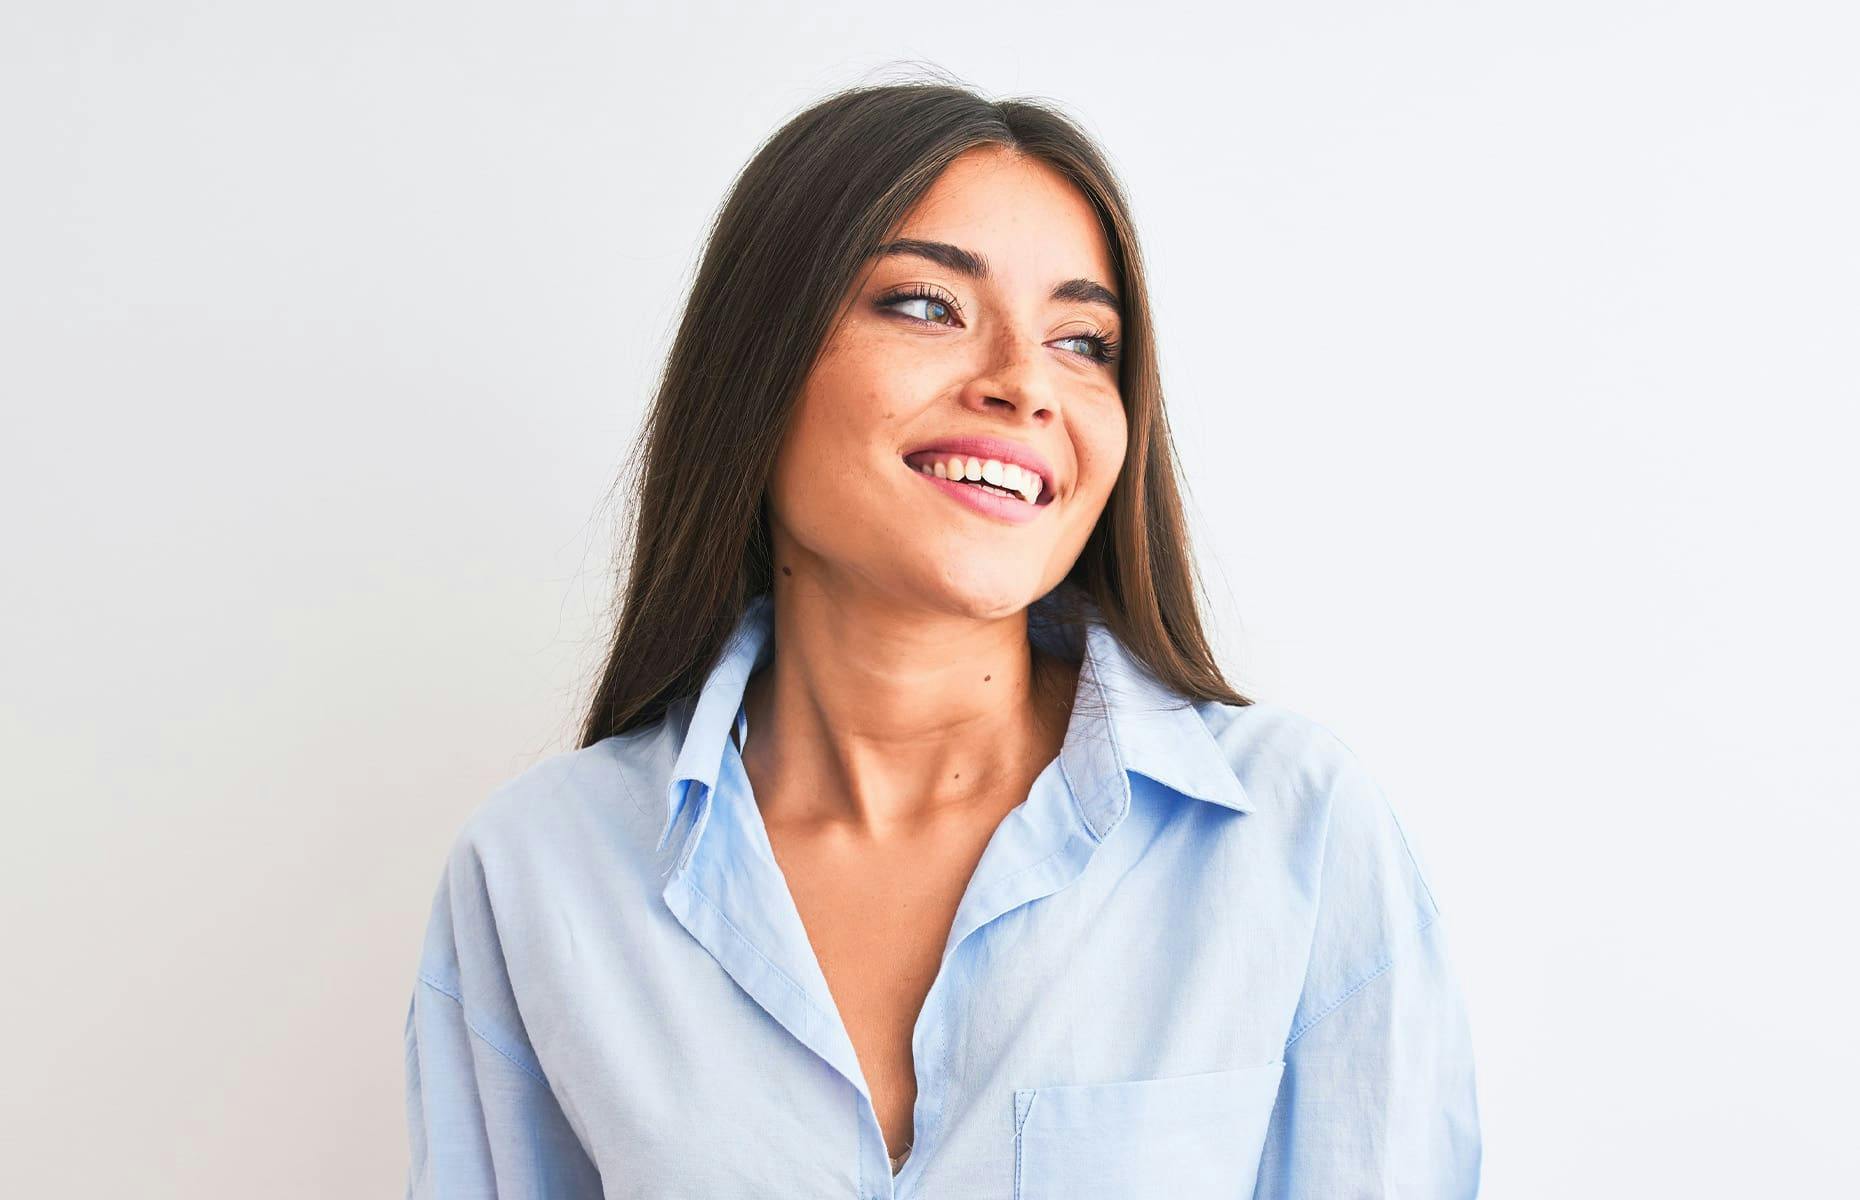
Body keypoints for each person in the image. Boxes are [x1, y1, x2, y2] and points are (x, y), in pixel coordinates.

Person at [402, 77, 1481, 1199]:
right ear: (754, 370)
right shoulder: (538, 873)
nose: (1023, 384)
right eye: (927, 305)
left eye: (1084, 340)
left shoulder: (1296, 839)